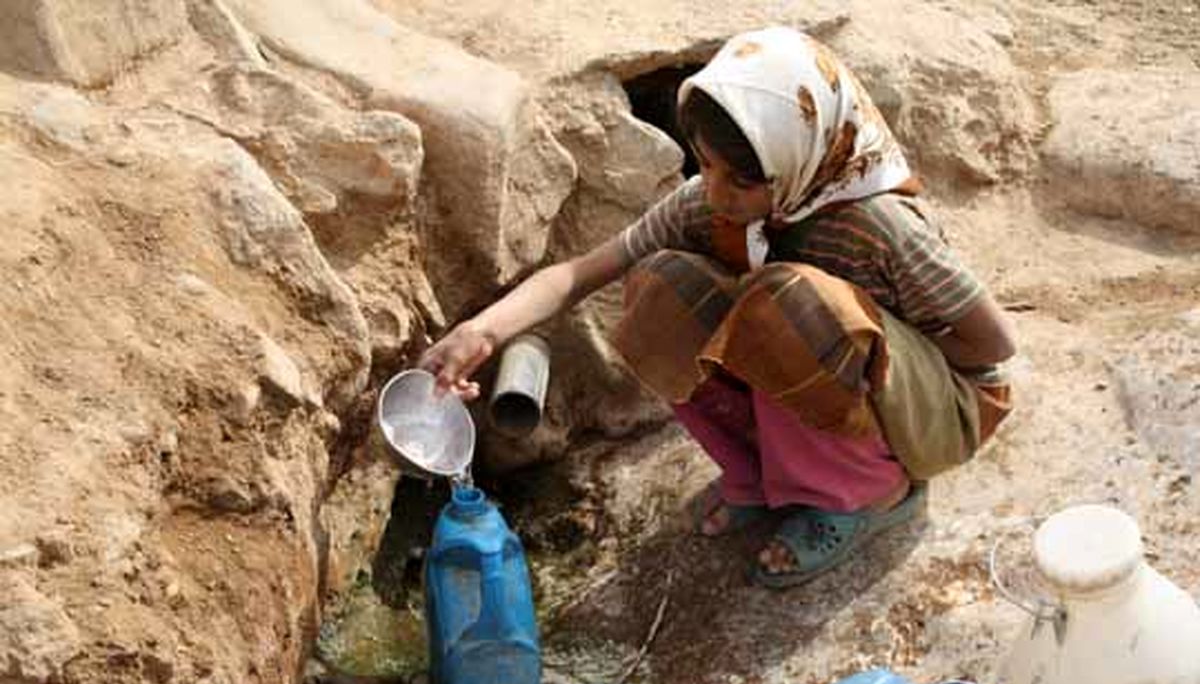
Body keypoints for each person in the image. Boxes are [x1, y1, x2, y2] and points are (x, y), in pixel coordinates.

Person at [418, 26, 1016, 589]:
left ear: (799, 157)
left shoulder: (879, 226)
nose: (715, 191)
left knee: (787, 305)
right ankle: (761, 476)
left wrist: (877, 353)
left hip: (928, 412)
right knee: (661, 286)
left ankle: (868, 494)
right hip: (817, 378)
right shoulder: (709, 206)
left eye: (740, 179)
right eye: (704, 165)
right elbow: (580, 273)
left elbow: (992, 349)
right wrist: (481, 332)